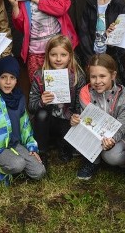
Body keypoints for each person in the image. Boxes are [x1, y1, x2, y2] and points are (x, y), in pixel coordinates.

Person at [0, 56, 46, 185]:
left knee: (39, 171)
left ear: (16, 80)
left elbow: (25, 126)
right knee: (18, 164)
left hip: (14, 145)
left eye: (12, 78)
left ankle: (12, 163)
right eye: (3, 77)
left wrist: (31, 147)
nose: (8, 82)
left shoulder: (19, 98)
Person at [8, 0, 78, 81]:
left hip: (57, 52)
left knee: (59, 88)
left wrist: (37, 0)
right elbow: (21, 26)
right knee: (38, 87)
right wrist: (15, 6)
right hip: (34, 52)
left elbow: (61, 8)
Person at [71, 54, 125, 180]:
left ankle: (124, 161)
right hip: (95, 132)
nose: (97, 81)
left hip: (118, 135)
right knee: (75, 132)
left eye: (102, 76)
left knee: (111, 156)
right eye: (93, 77)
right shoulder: (85, 93)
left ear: (113, 75)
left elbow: (121, 128)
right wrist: (75, 120)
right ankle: (92, 161)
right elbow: (84, 119)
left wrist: (112, 141)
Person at [29, 36, 86, 166]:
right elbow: (31, 106)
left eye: (63, 55)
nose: (58, 59)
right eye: (54, 55)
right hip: (48, 120)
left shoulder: (77, 76)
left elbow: (80, 104)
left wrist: (76, 116)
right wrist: (41, 102)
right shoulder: (40, 75)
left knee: (69, 128)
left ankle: (64, 146)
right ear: (48, 55)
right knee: (41, 114)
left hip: (66, 120)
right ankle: (42, 152)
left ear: (70, 56)